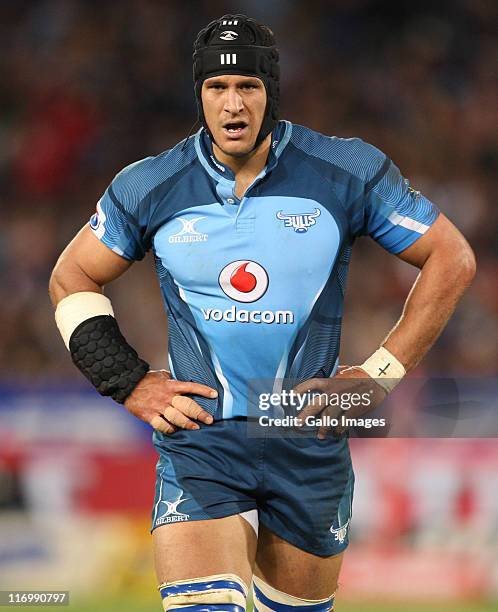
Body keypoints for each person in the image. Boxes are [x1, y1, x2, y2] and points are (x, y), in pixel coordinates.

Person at [48, 14, 476, 612]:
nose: (233, 104)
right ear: (197, 95)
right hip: (203, 439)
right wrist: (127, 382)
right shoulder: (149, 185)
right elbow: (72, 274)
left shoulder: (346, 170)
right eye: (216, 88)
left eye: (248, 85)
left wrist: (381, 373)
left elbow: (451, 258)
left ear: (271, 90)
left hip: (308, 437)